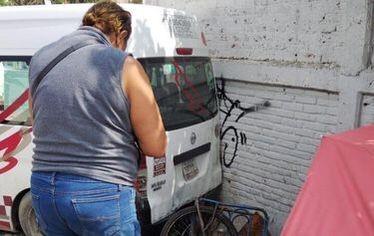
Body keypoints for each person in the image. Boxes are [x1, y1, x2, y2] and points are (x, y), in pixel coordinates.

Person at [28, 1, 167, 235]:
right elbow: (155, 146)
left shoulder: (40, 58)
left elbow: (37, 121)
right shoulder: (125, 65)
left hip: (43, 188)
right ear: (121, 35)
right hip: (101, 190)